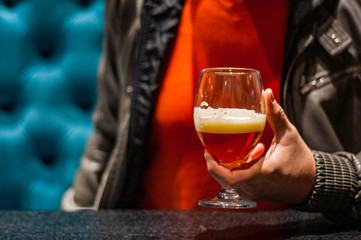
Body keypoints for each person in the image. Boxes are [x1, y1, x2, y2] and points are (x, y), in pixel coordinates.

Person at [62, 0, 361, 222]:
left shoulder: (347, 10)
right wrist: (74, 224)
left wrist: (316, 178)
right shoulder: (139, 6)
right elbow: (108, 137)